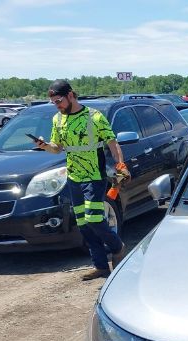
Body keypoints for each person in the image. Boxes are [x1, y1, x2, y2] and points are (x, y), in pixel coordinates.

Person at [33, 80, 128, 280]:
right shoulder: (58, 120)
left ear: (71, 95)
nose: (57, 105)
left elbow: (112, 142)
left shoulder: (94, 117)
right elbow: (57, 148)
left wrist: (120, 165)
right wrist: (44, 146)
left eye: (59, 100)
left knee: (94, 218)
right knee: (84, 223)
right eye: (53, 102)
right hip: (74, 177)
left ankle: (118, 247)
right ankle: (101, 266)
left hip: (94, 176)